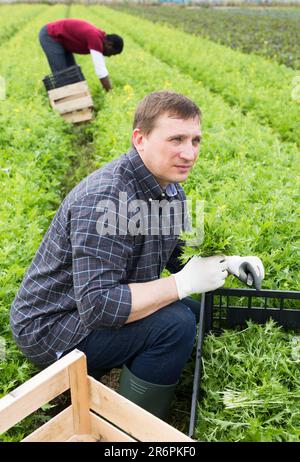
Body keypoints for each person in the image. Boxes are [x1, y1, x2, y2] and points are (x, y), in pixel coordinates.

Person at [10, 91, 264, 419]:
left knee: (194, 311)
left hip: (91, 307)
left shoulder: (170, 189)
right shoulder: (105, 200)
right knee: (176, 324)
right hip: (54, 327)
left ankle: (138, 375)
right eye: (176, 139)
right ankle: (132, 428)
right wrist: (181, 284)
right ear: (140, 139)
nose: (189, 153)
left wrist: (228, 261)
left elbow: (179, 255)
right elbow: (99, 307)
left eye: (196, 140)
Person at [39, 18, 124, 92]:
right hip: (50, 35)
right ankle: (63, 105)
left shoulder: (99, 37)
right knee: (62, 76)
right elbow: (100, 70)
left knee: (72, 73)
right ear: (109, 44)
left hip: (63, 41)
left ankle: (78, 102)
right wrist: (110, 91)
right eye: (112, 53)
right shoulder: (95, 38)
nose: (109, 56)